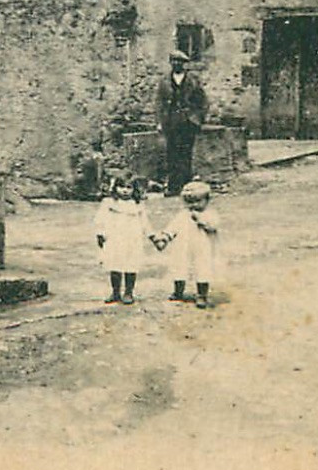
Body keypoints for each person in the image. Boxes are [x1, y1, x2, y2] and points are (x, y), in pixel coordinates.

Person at [155, 180, 222, 309]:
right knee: (179, 267)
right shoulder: (183, 215)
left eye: (198, 201)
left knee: (202, 269)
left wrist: (201, 221)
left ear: (207, 200)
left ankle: (202, 295)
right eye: (189, 202)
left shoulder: (209, 214)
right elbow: (173, 227)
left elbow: (213, 226)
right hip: (183, 246)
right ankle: (178, 291)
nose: (193, 205)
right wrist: (165, 238)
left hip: (203, 247)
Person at [93, 174, 156, 305]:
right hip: (114, 238)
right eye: (121, 187)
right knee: (114, 264)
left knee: (131, 265)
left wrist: (151, 235)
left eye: (129, 187)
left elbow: (145, 222)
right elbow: (100, 219)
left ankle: (128, 292)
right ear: (115, 187)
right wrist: (100, 233)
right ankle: (115, 292)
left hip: (132, 239)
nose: (125, 190)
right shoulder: (109, 203)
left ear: (134, 189)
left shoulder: (137, 204)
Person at [155, 50, 207, 196]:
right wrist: (159, 122)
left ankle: (186, 186)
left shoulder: (193, 79)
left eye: (180, 61)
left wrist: (198, 119)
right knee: (171, 154)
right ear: (170, 63)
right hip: (171, 122)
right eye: (174, 61)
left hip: (188, 122)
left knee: (186, 153)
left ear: (185, 64)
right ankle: (173, 186)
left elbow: (202, 101)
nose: (177, 64)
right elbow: (160, 103)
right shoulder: (164, 81)